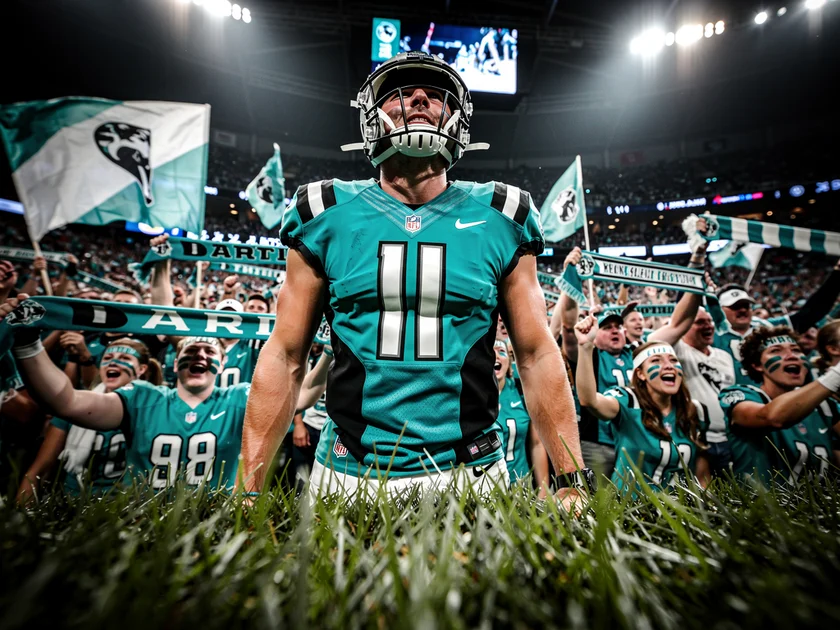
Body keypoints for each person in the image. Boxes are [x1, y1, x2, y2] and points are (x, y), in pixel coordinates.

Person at [241, 51, 585, 506]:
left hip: (471, 470)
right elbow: (286, 354)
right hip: (348, 470)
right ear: (370, 116)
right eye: (399, 92)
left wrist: (572, 481)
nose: (420, 97)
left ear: (457, 118)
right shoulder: (324, 212)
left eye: (437, 94)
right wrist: (248, 489)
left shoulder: (503, 214)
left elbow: (536, 354)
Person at [1, 294, 250, 490]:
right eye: (191, 351)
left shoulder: (239, 397)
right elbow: (66, 402)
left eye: (209, 351)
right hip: (141, 522)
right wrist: (27, 343)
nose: (200, 356)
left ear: (223, 364)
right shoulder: (142, 398)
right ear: (175, 364)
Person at [17, 338, 163, 503]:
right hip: (74, 505)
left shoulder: (157, 410)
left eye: (124, 358)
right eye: (107, 358)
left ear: (142, 369)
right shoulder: (75, 406)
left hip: (127, 506)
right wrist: (19, 513)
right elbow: (41, 469)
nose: (113, 363)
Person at [575, 316, 710, 492]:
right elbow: (590, 400)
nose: (668, 366)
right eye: (656, 361)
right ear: (640, 374)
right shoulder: (628, 401)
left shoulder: (694, 410)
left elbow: (702, 476)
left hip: (679, 506)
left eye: (673, 360)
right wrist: (585, 346)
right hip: (631, 506)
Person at [719, 326, 840, 485]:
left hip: (818, 500)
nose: (791, 356)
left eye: (796, 350)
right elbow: (773, 417)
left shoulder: (825, 405)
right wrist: (836, 375)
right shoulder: (739, 394)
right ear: (757, 365)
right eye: (776, 351)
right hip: (761, 500)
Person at [710, 258, 840, 384]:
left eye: (746, 305)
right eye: (735, 306)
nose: (743, 310)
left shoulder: (767, 327)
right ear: (719, 310)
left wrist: (837, 274)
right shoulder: (710, 332)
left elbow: (810, 314)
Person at [673, 307, 736, 475]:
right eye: (700, 322)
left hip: (729, 439)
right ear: (685, 327)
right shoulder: (678, 352)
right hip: (696, 439)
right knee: (700, 489)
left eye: (709, 321)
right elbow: (661, 337)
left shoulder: (724, 356)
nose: (708, 326)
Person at [493, 340, 549, 491]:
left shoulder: (522, 390)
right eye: (490, 351)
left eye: (501, 351)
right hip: (484, 485)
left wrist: (543, 490)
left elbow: (537, 444)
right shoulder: (470, 396)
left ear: (509, 363)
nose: (496, 356)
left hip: (520, 485)